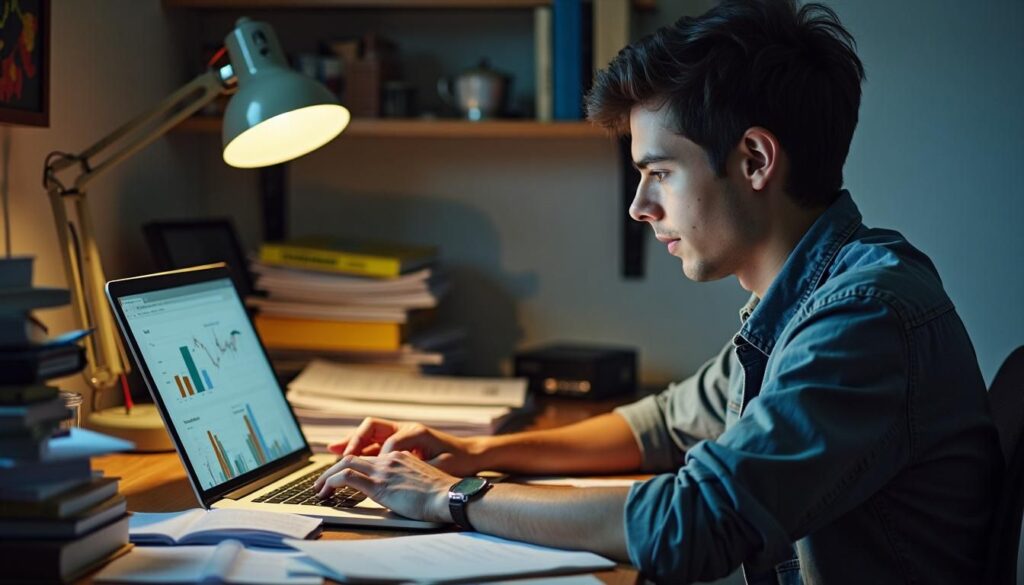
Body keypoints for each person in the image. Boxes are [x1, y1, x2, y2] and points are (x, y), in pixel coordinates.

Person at [313, 1, 1001, 583]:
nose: (640, 206)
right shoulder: (815, 295)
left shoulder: (862, 317)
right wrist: (478, 453)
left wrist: (455, 497)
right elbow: (667, 423)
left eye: (660, 172)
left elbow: (695, 524)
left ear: (755, 160)